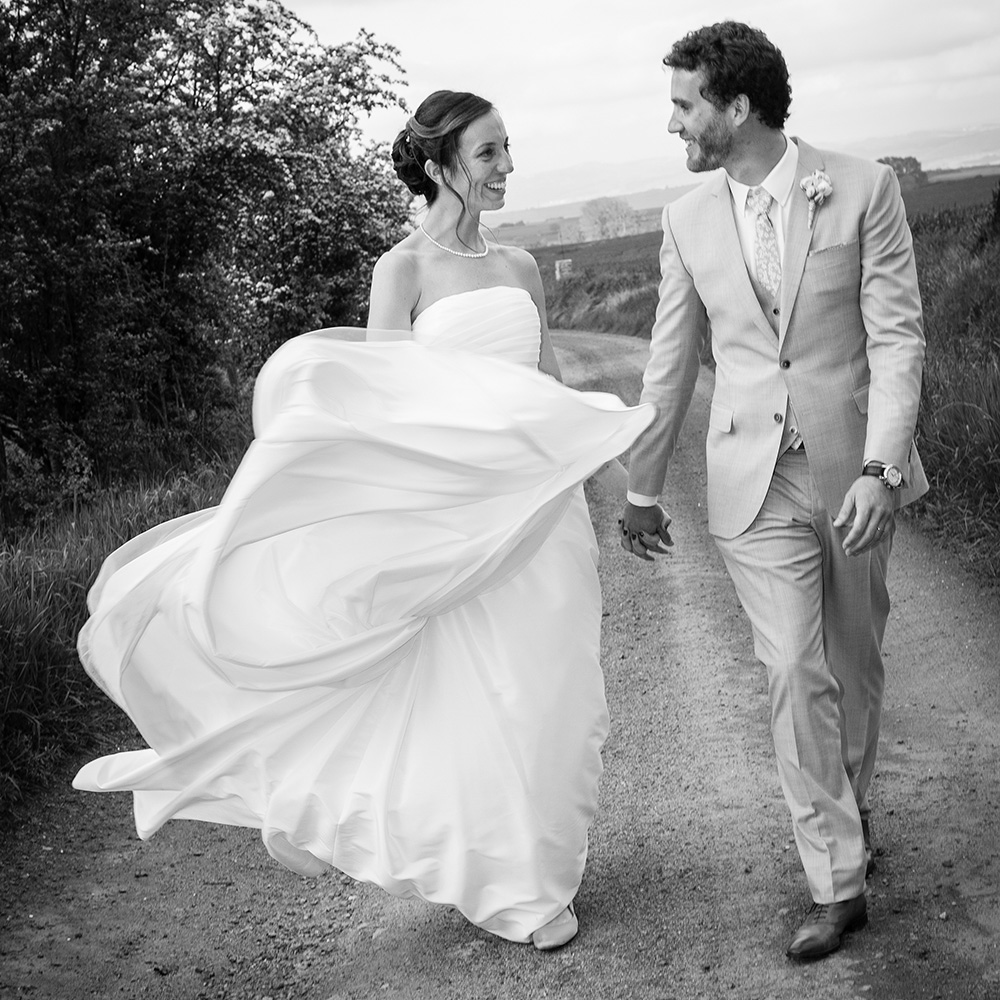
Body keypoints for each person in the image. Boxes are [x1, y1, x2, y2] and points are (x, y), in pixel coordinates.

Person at [73, 89, 652, 952]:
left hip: (542, 519)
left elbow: (550, 390)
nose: (506, 168)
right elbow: (383, 409)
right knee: (488, 696)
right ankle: (520, 888)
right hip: (455, 522)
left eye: (507, 150)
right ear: (436, 164)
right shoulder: (403, 271)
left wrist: (614, 470)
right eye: (489, 153)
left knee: (559, 696)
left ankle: (542, 860)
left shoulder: (523, 268)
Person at [619, 23, 926, 960]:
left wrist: (881, 467)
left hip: (851, 473)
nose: (673, 121)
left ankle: (851, 812)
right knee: (794, 669)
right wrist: (640, 486)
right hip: (750, 479)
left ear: (736, 107)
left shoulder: (864, 186)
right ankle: (836, 880)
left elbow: (897, 339)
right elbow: (671, 365)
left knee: (854, 666)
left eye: (685, 103)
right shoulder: (685, 220)